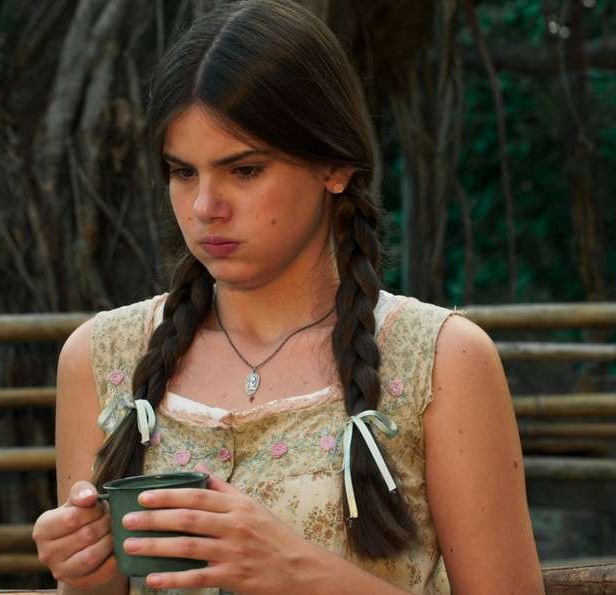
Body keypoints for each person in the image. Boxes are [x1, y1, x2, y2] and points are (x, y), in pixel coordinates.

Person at [32, 0, 545, 593]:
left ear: (334, 167)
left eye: (244, 170)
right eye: (183, 172)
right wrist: (84, 571)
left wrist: (294, 570)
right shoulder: (102, 357)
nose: (205, 207)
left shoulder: (439, 360)